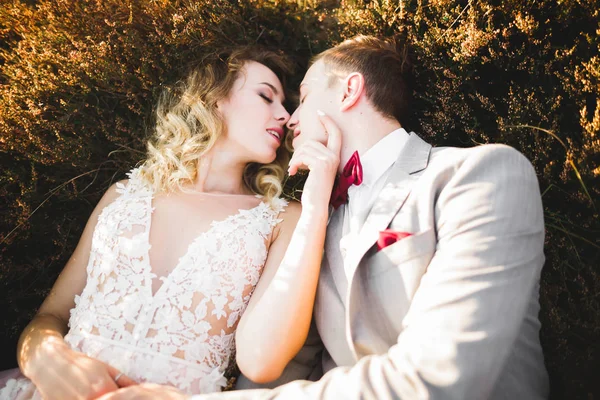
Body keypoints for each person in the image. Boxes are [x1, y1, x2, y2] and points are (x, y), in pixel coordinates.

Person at [94, 35, 550, 400]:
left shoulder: (478, 174)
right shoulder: (314, 223)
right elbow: (285, 367)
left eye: (304, 96)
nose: (290, 118)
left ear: (350, 90)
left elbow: (442, 380)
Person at [0, 45, 343, 399]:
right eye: (265, 97)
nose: (285, 116)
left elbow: (261, 362)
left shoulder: (281, 219)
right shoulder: (123, 195)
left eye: (284, 104)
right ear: (213, 99)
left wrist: (316, 207)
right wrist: (46, 359)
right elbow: (49, 316)